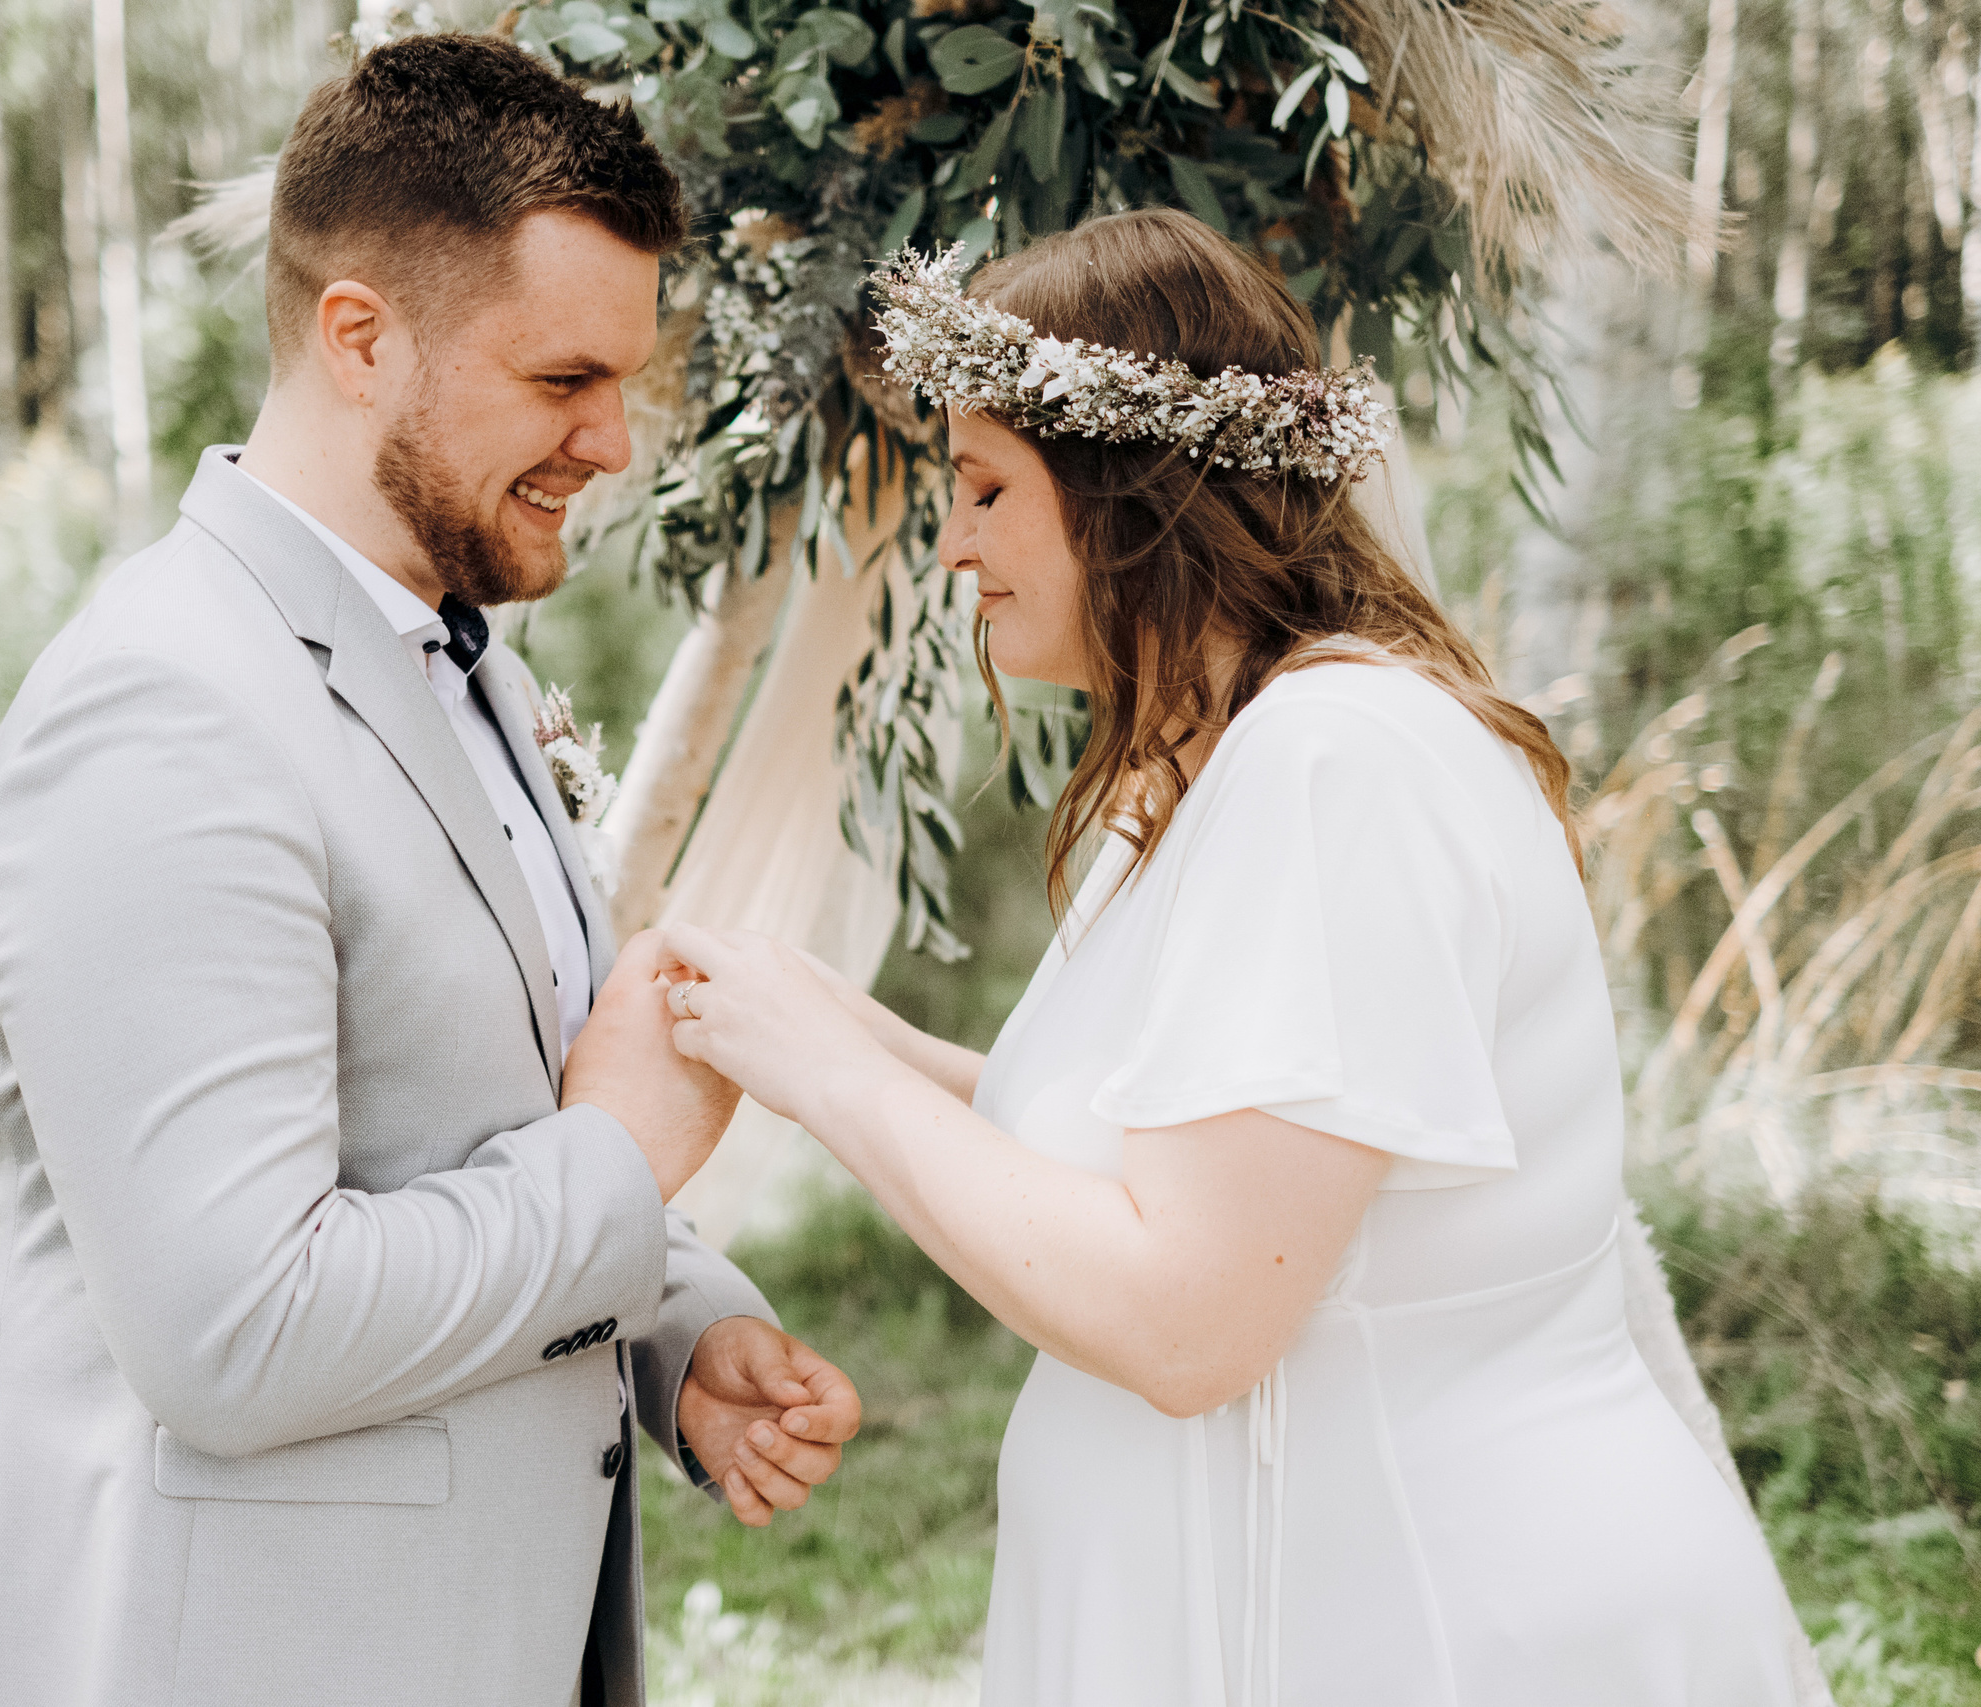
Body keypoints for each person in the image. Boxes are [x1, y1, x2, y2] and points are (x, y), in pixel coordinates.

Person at [654, 209, 1798, 1706]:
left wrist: (832, 1081)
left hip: (1432, 1631)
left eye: (988, 489)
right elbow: (1168, 1147)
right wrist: (833, 1035)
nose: (953, 547)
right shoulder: (1224, 766)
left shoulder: (1337, 767)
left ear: (1128, 501)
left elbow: (1188, 1316)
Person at [0, 36, 859, 1707]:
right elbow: (236, 1329)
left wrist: (676, 1327)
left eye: (625, 386)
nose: (613, 444)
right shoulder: (168, 713)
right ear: (360, 337)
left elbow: (473, 1127)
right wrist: (627, 1166)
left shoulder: (454, 654)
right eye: (562, 379)